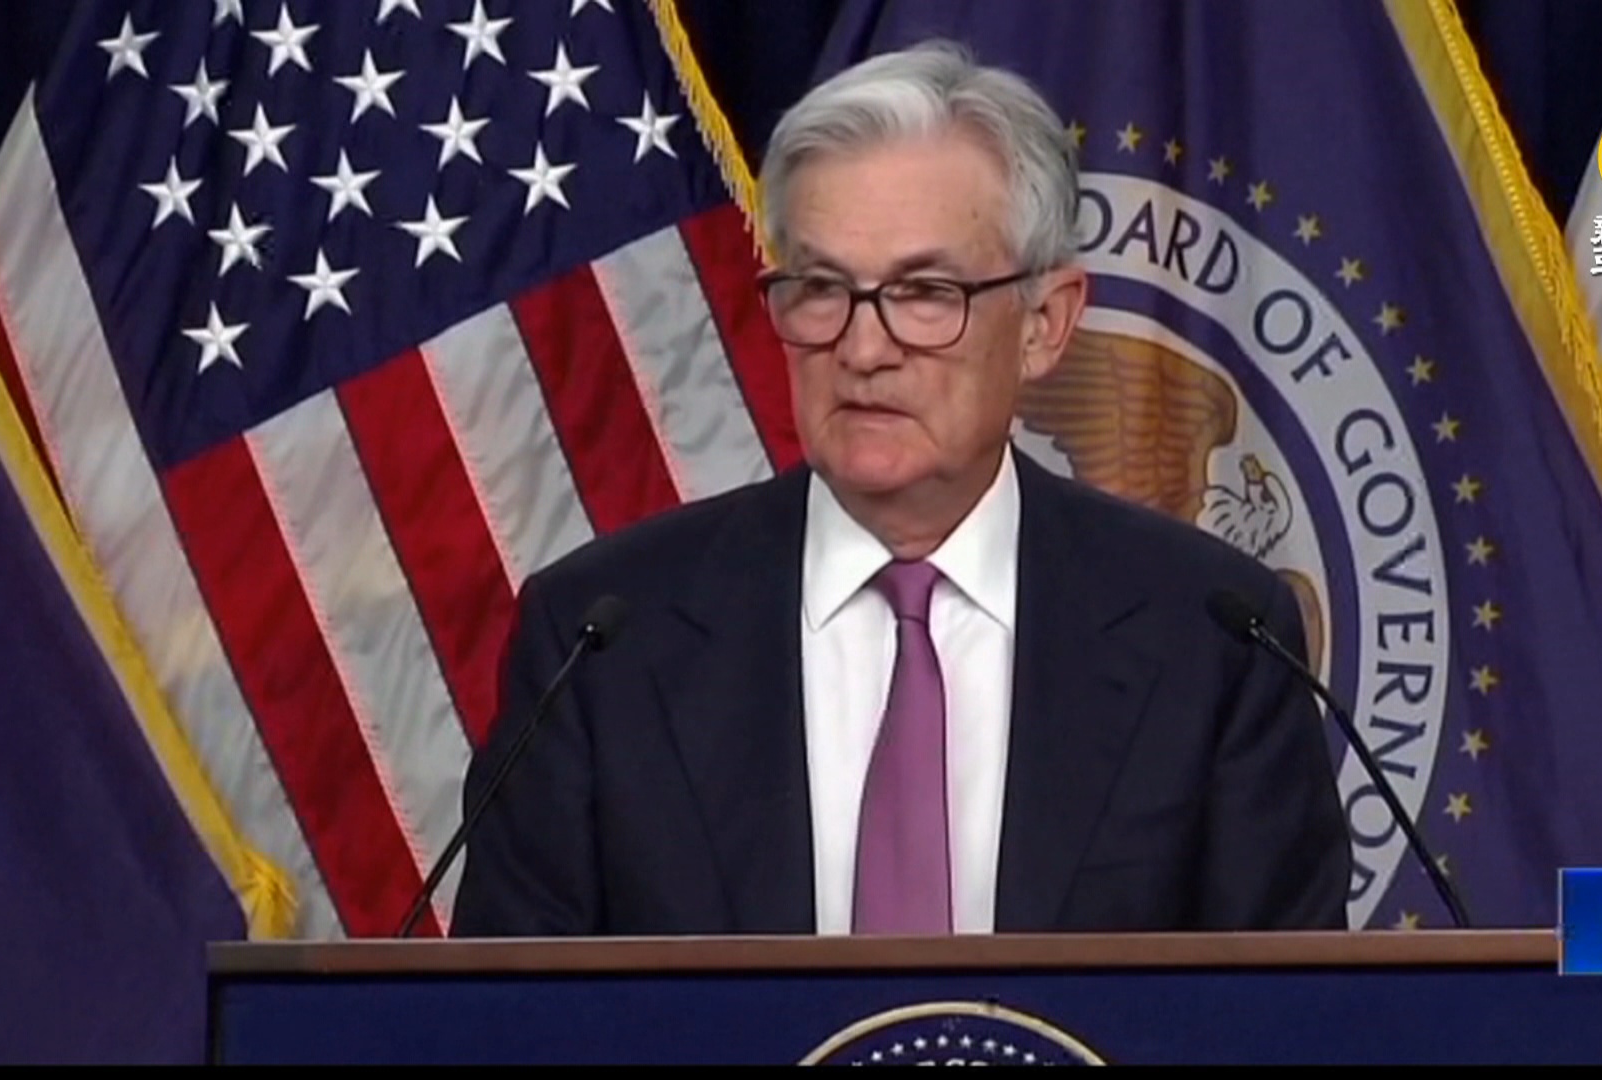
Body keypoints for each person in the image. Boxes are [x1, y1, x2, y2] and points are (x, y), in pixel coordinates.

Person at [450, 41, 1350, 938]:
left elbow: (1284, 1006)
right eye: (821, 288)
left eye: (924, 292)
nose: (863, 348)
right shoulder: (601, 642)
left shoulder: (1213, 640)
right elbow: (507, 1007)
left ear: (1044, 324)